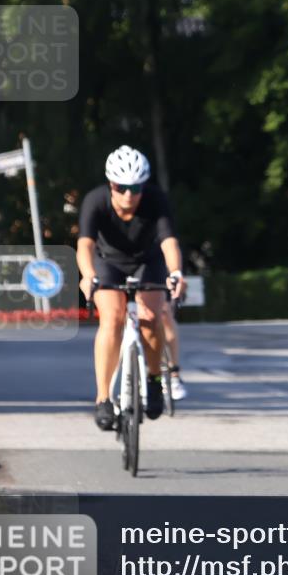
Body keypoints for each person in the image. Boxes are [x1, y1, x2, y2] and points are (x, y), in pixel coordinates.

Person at [77, 145, 186, 430]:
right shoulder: (96, 200)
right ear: (110, 184)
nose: (129, 195)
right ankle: (102, 397)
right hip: (107, 262)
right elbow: (85, 244)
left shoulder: (155, 200)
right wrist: (88, 275)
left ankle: (153, 379)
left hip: (147, 262)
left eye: (135, 188)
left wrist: (176, 272)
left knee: (151, 317)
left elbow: (169, 241)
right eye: (121, 187)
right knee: (112, 318)